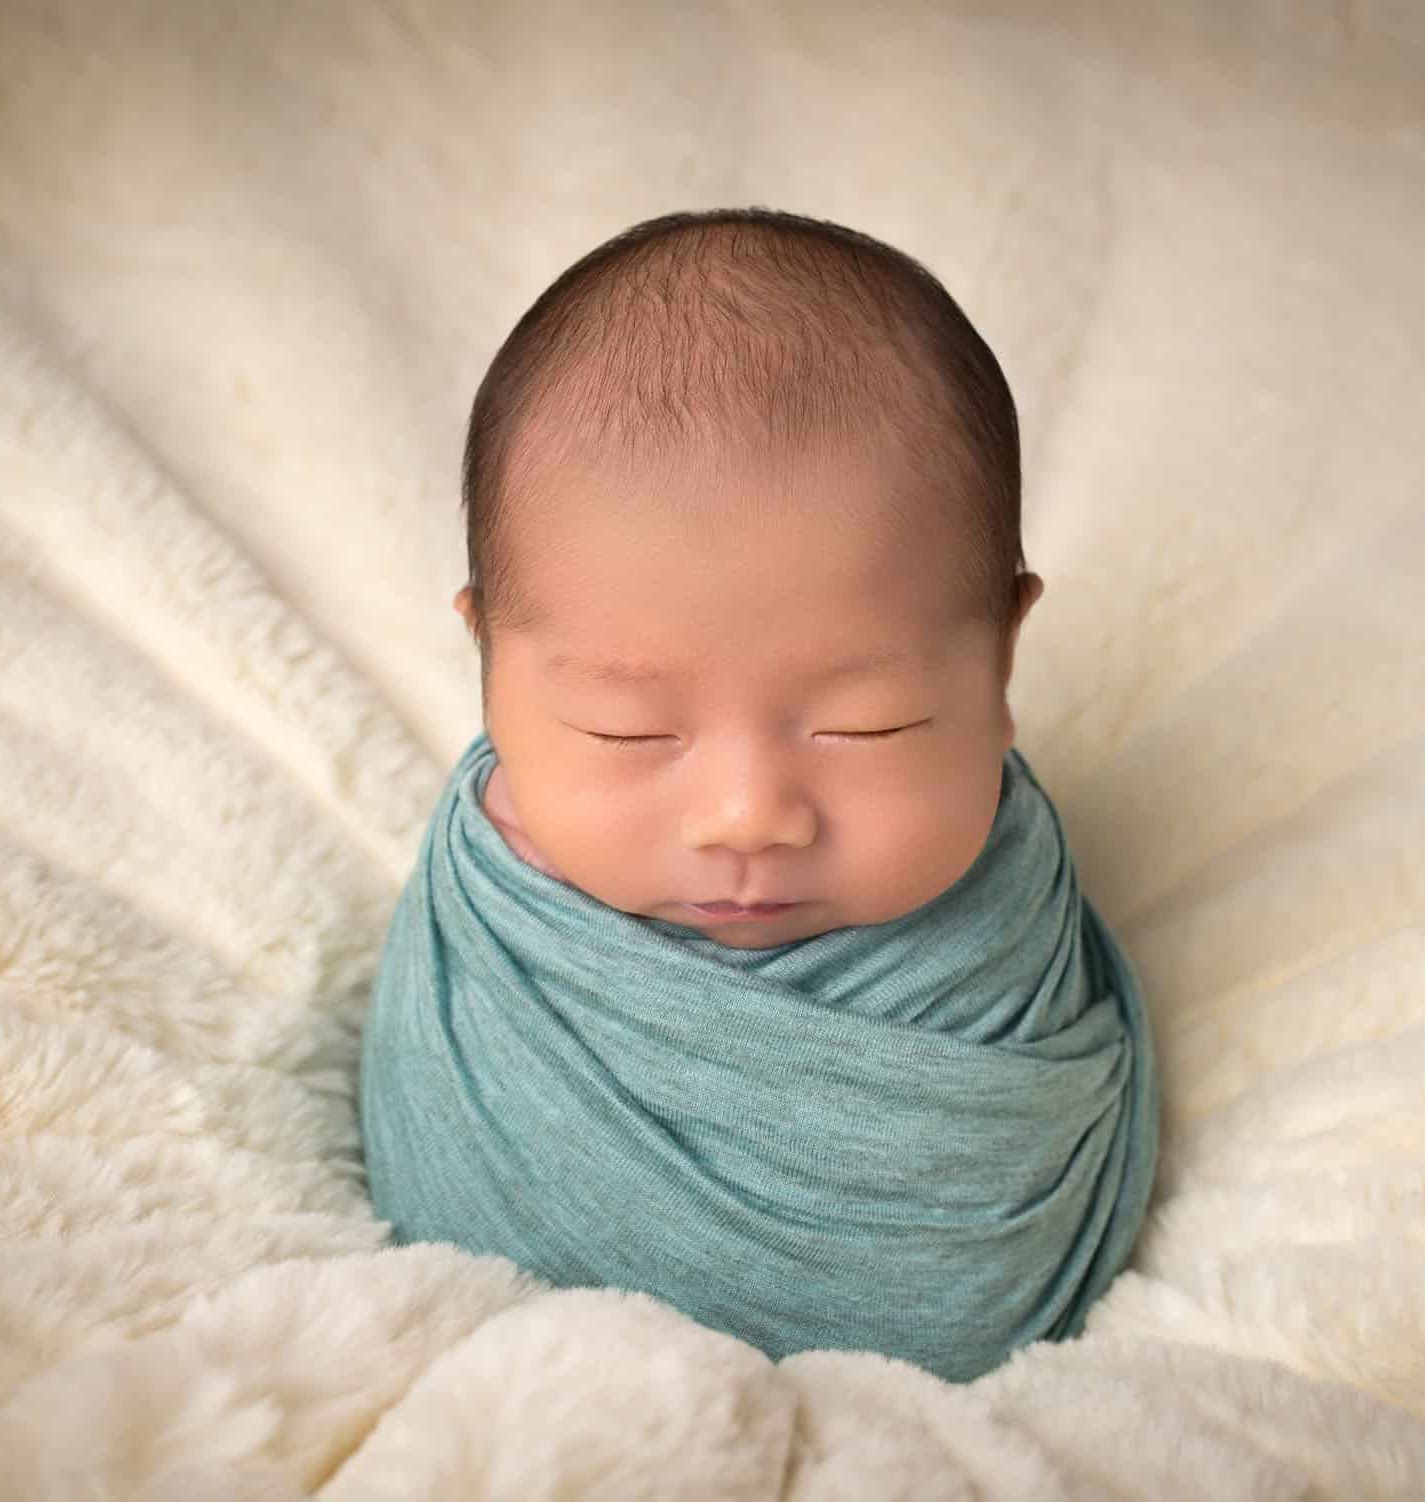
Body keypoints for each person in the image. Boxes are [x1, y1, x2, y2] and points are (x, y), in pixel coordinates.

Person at [359, 208, 1157, 1383]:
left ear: (1000, 660)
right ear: (488, 667)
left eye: (865, 722)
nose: (746, 814)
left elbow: (982, 1277)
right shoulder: (490, 909)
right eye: (626, 727)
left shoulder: (1005, 918)